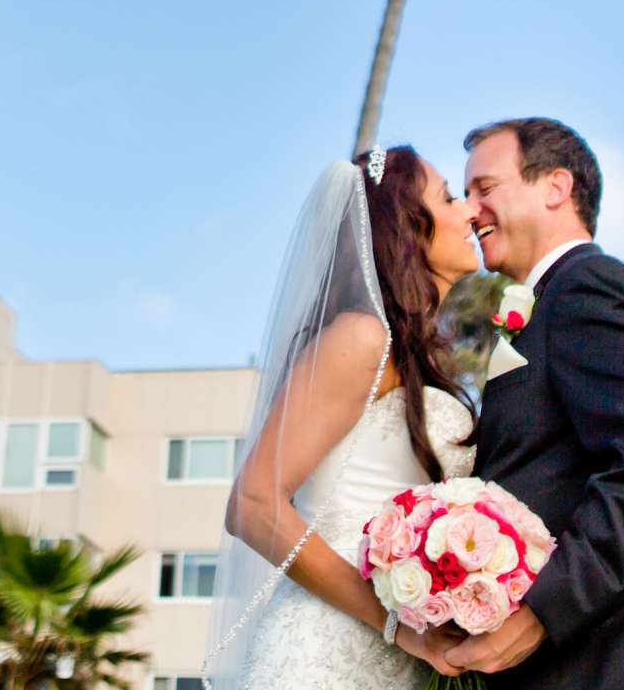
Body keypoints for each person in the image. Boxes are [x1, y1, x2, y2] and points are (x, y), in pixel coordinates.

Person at [204, 144, 483, 687]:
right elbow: (253, 504)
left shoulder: (413, 354)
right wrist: (398, 627)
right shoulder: (361, 338)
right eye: (450, 197)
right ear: (407, 227)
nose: (470, 210)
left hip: (397, 661)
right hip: (324, 654)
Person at [442, 115, 624, 690]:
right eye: (464, 195)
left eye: (485, 188)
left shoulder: (590, 286)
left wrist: (541, 613)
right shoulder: (543, 306)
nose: (469, 210)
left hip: (609, 667)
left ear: (556, 187)